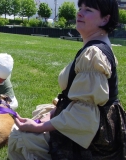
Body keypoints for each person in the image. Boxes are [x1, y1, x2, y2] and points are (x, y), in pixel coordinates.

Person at [8, 0, 126, 159]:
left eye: (88, 10)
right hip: (90, 122)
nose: (80, 13)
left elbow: (83, 114)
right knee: (40, 114)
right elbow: (78, 98)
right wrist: (49, 116)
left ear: (105, 19)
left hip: (91, 136)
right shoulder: (96, 47)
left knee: (20, 139)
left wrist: (39, 127)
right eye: (80, 8)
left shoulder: (93, 54)